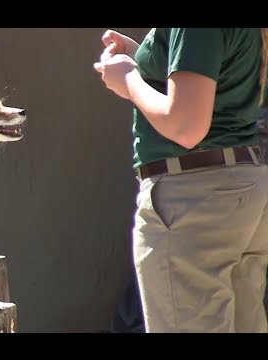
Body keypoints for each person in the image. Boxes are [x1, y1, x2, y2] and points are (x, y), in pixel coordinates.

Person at [94, 28, 268, 333]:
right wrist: (147, 57)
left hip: (194, 198)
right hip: (241, 189)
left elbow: (187, 126)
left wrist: (130, 79)